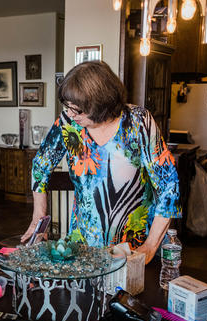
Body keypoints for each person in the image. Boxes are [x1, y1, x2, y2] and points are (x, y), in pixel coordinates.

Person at [22, 61, 181, 264]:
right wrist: (38, 219)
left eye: (77, 110)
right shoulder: (68, 123)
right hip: (83, 247)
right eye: (67, 106)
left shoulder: (138, 122)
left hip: (135, 247)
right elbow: (40, 166)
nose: (70, 114)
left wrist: (149, 247)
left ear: (101, 104)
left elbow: (169, 185)